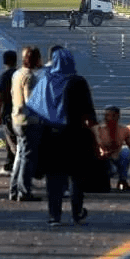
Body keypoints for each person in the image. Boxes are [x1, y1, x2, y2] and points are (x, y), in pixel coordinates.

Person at [26, 48, 100, 226]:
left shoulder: (45, 81)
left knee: (54, 178)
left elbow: (33, 107)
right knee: (76, 177)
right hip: (75, 135)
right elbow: (89, 113)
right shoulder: (78, 82)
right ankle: (76, 212)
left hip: (50, 136)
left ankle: (54, 216)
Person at [9, 46, 43, 201]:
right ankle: (24, 191)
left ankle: (14, 189)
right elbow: (31, 101)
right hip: (28, 120)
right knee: (27, 159)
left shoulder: (17, 74)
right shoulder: (30, 77)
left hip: (16, 118)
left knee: (20, 156)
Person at [97, 106, 130, 190]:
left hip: (116, 157)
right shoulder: (100, 130)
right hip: (103, 160)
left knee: (126, 151)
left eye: (113, 116)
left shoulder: (123, 130)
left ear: (118, 117)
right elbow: (97, 147)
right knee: (110, 168)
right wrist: (102, 152)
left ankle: (122, 181)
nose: (109, 118)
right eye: (107, 116)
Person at [0, 50, 18, 176]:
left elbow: (1, 96)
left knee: (11, 142)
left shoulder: (4, 76)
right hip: (18, 111)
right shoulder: (19, 74)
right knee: (14, 141)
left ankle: (15, 166)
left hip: (8, 111)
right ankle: (10, 164)